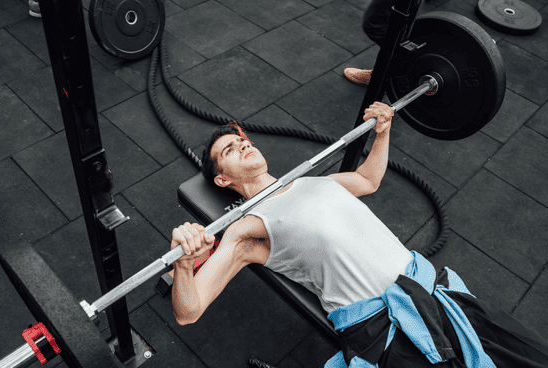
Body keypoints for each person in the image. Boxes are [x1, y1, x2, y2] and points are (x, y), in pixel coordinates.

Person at [169, 102, 548, 367]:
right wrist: (185, 266)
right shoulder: (247, 229)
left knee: (533, 355)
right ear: (223, 179)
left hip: (438, 295)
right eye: (231, 150)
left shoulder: (312, 182)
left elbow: (369, 179)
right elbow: (189, 312)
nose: (244, 145)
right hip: (391, 333)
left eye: (243, 140)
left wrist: (383, 131)